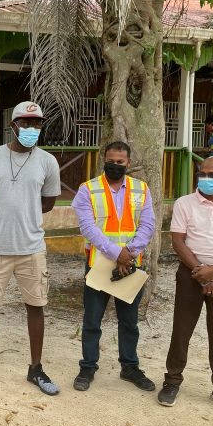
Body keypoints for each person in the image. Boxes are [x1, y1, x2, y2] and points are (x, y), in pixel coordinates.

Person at [0, 101, 62, 395]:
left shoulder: (47, 162)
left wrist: (24, 215)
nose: (32, 129)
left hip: (32, 247)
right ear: (13, 125)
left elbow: (48, 203)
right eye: (26, 123)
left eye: (37, 124)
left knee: (36, 307)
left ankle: (36, 368)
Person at [158, 156, 213, 415]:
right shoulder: (184, 203)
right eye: (202, 173)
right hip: (190, 274)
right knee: (182, 329)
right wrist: (203, 274)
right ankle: (172, 381)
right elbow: (178, 241)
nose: (205, 178)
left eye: (212, 175)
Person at [71, 141, 156, 392]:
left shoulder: (142, 189)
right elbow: (87, 227)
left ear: (128, 163)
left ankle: (130, 367)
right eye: (111, 160)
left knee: (129, 322)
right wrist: (117, 252)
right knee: (92, 320)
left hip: (130, 265)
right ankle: (87, 367)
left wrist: (129, 253)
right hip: (98, 264)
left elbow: (148, 225)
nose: (115, 165)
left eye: (120, 162)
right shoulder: (87, 189)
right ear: (103, 160)